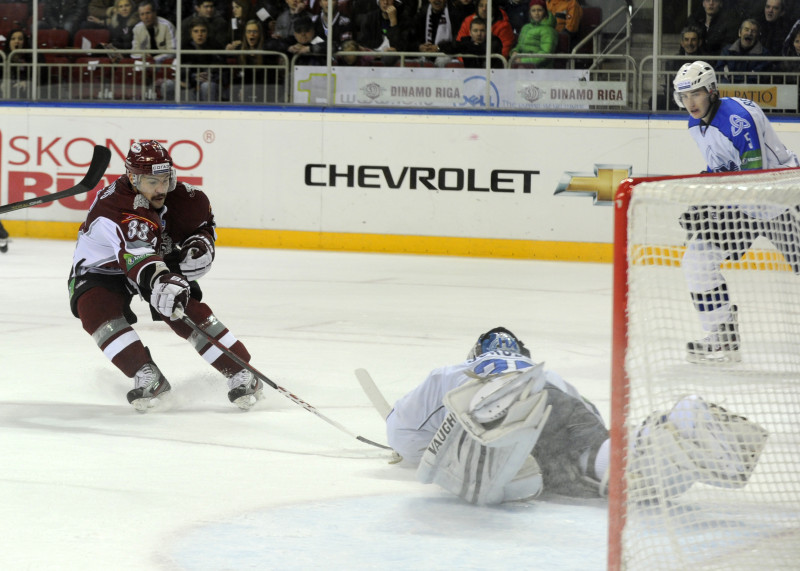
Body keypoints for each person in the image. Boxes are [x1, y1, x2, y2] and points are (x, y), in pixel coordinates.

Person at [386, 327, 767, 505]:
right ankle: (668, 429)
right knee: (595, 462)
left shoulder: (452, 374)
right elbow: (589, 426)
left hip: (494, 406)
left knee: (569, 467)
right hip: (553, 402)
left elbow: (403, 434)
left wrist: (423, 449)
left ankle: (674, 429)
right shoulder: (551, 375)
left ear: (475, 353)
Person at [67, 140, 265, 412]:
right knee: (95, 310)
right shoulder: (117, 207)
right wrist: (161, 281)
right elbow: (138, 257)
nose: (161, 189)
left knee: (179, 306)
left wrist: (201, 244)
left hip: (152, 256)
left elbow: (202, 226)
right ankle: (146, 373)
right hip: (103, 268)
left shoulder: (185, 197)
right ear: (132, 178)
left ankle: (240, 369)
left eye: (166, 179)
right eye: (152, 182)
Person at [672, 61, 800, 363]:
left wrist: (713, 206)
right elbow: (721, 170)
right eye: (684, 97)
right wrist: (704, 199)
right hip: (742, 205)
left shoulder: (738, 121)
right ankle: (722, 336)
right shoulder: (695, 124)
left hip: (778, 195)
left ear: (712, 91)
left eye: (696, 94)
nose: (690, 103)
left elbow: (752, 180)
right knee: (697, 260)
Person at [174, 18, 225, 101]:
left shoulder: (215, 46)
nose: (200, 34)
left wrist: (208, 76)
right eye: (196, 31)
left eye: (203, 31)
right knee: (169, 85)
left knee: (206, 86)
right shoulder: (185, 48)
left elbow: (222, 69)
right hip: (190, 83)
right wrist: (194, 78)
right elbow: (182, 72)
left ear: (207, 33)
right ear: (191, 34)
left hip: (211, 82)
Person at [715, 18, 772, 83]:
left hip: (752, 91)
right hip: (728, 90)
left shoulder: (764, 54)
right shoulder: (727, 51)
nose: (749, 33)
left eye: (753, 31)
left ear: (757, 36)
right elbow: (719, 72)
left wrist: (733, 80)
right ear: (739, 33)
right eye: (746, 29)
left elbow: (757, 77)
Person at [1, 29, 47, 100]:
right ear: (9, 42)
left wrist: (28, 82)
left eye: (20, 39)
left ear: (24, 42)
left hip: (25, 91)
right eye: (13, 39)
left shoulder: (32, 57)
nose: (17, 41)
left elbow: (41, 75)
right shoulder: (2, 57)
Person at [510, 0, 558, 67]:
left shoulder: (549, 30)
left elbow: (545, 54)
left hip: (540, 70)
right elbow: (520, 46)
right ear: (530, 13)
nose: (536, 13)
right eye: (533, 10)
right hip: (523, 67)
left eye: (539, 10)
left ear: (545, 12)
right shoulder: (526, 27)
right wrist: (515, 51)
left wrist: (522, 61)